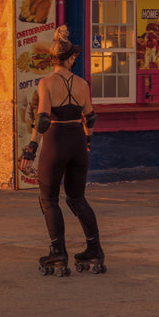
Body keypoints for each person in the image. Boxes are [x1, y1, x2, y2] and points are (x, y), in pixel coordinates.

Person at [20, 25, 105, 276]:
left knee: (48, 199)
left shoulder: (45, 83)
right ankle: (94, 250)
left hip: (56, 142)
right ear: (70, 59)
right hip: (77, 142)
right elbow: (90, 118)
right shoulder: (82, 84)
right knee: (77, 198)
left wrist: (30, 149)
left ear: (52, 59)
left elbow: (43, 118)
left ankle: (58, 254)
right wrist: (87, 144)